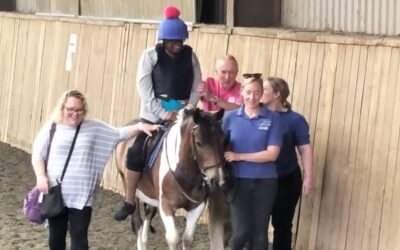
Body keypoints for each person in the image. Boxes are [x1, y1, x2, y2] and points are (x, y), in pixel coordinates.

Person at [31, 90, 161, 250]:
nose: (74, 113)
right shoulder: (51, 128)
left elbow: (120, 133)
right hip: (55, 193)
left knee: (79, 239)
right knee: (56, 238)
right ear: (62, 108)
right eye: (70, 109)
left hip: (82, 196)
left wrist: (141, 126)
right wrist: (40, 176)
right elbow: (38, 154)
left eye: (79, 110)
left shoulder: (93, 128)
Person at [113, 5, 202, 221]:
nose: (177, 45)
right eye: (173, 42)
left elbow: (197, 85)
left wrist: (188, 108)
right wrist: (162, 113)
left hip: (183, 113)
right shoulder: (150, 56)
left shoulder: (190, 57)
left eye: (180, 41)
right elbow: (144, 89)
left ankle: (202, 193)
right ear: (164, 40)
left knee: (203, 147)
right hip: (153, 115)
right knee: (135, 152)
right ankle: (130, 199)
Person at [222, 75, 282, 250]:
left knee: (260, 234)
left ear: (262, 94)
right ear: (241, 92)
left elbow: (272, 154)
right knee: (240, 232)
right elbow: (220, 148)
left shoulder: (273, 119)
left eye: (257, 93)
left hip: (265, 182)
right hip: (238, 182)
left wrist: (239, 156)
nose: (252, 97)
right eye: (248, 92)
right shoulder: (230, 118)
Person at [261, 77, 314, 250]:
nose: (259, 92)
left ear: (277, 94)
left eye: (265, 89)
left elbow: (305, 149)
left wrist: (308, 177)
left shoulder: (295, 120)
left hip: (286, 179)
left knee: (282, 226)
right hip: (259, 179)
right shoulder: (255, 114)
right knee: (258, 225)